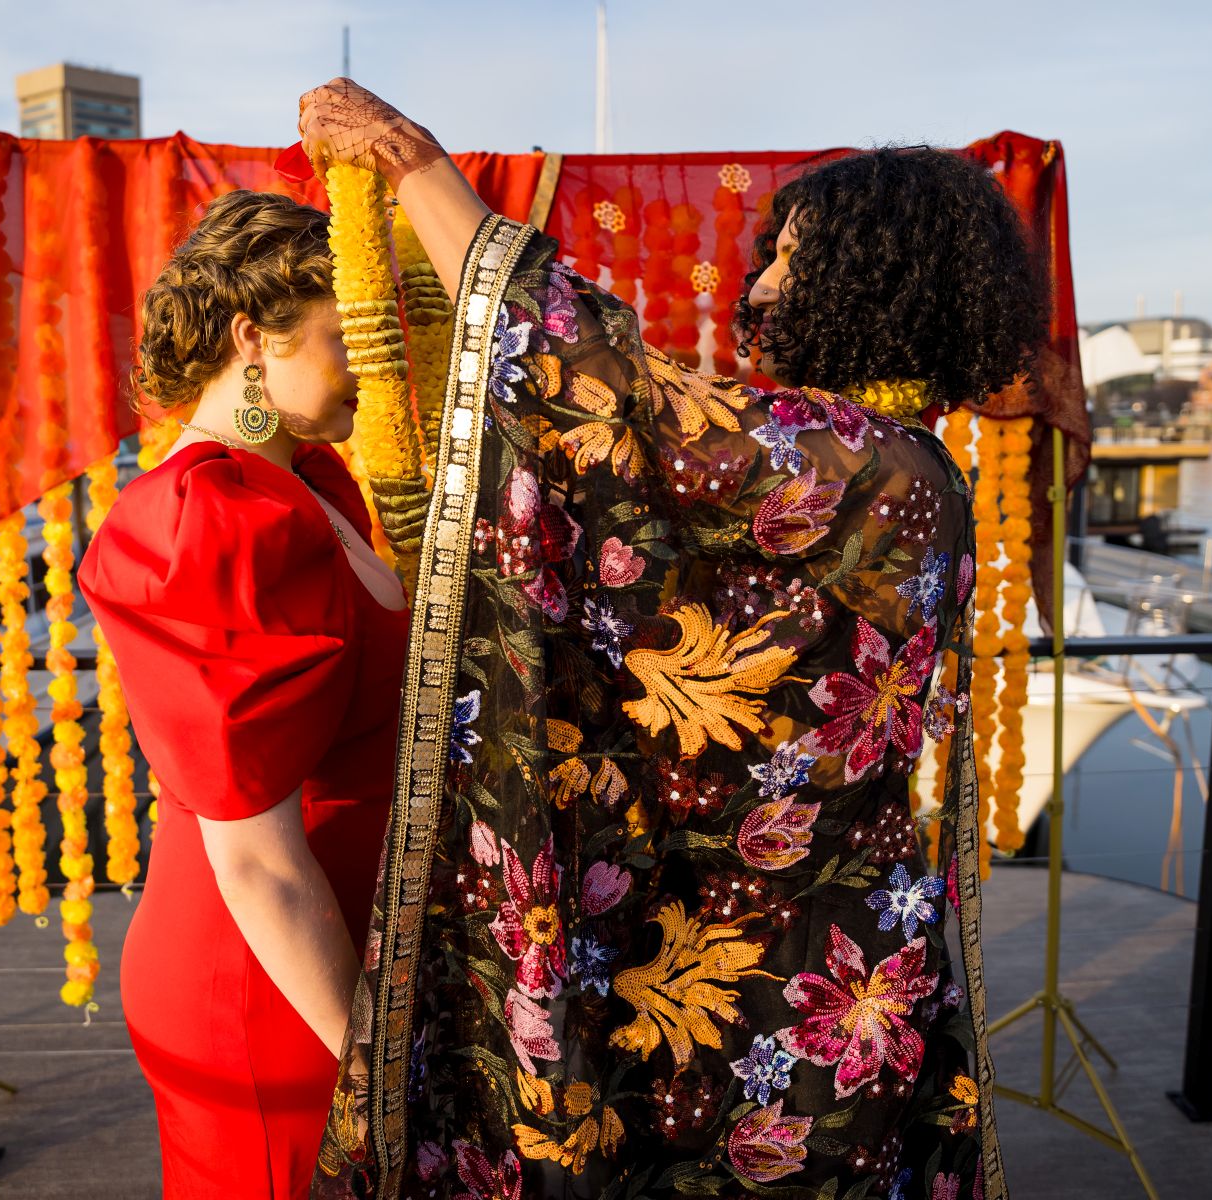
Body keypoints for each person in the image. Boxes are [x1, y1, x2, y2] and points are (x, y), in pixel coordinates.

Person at [297, 81, 1047, 1200]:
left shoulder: (864, 465)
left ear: (874, 283)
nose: (763, 285)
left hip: (788, 993)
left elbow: (610, 396)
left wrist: (415, 168)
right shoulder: (902, 465)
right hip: (784, 959)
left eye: (793, 258)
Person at [77, 189, 409, 1198]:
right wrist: (377, 1077)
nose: (374, 361)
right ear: (250, 337)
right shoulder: (210, 518)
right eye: (346, 333)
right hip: (268, 981)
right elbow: (256, 859)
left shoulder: (308, 479)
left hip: (332, 937)